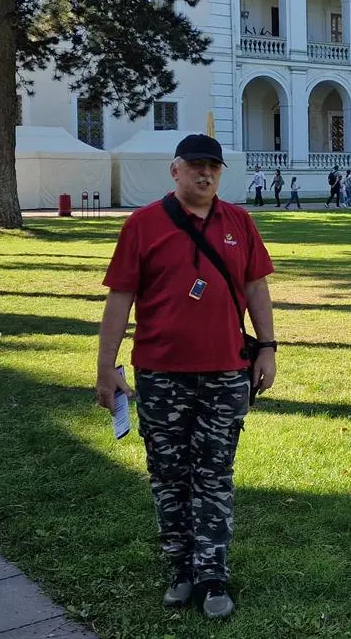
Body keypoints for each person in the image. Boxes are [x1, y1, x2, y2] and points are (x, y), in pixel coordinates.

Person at [95, 133, 277, 620]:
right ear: (175, 170)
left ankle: (212, 573)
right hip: (161, 375)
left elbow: (256, 287)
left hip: (226, 372)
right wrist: (106, 367)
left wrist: (267, 348)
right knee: (168, 474)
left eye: (213, 167)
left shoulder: (239, 222)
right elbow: (119, 298)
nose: (206, 174)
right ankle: (180, 568)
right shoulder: (143, 224)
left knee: (214, 474)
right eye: (196, 166)